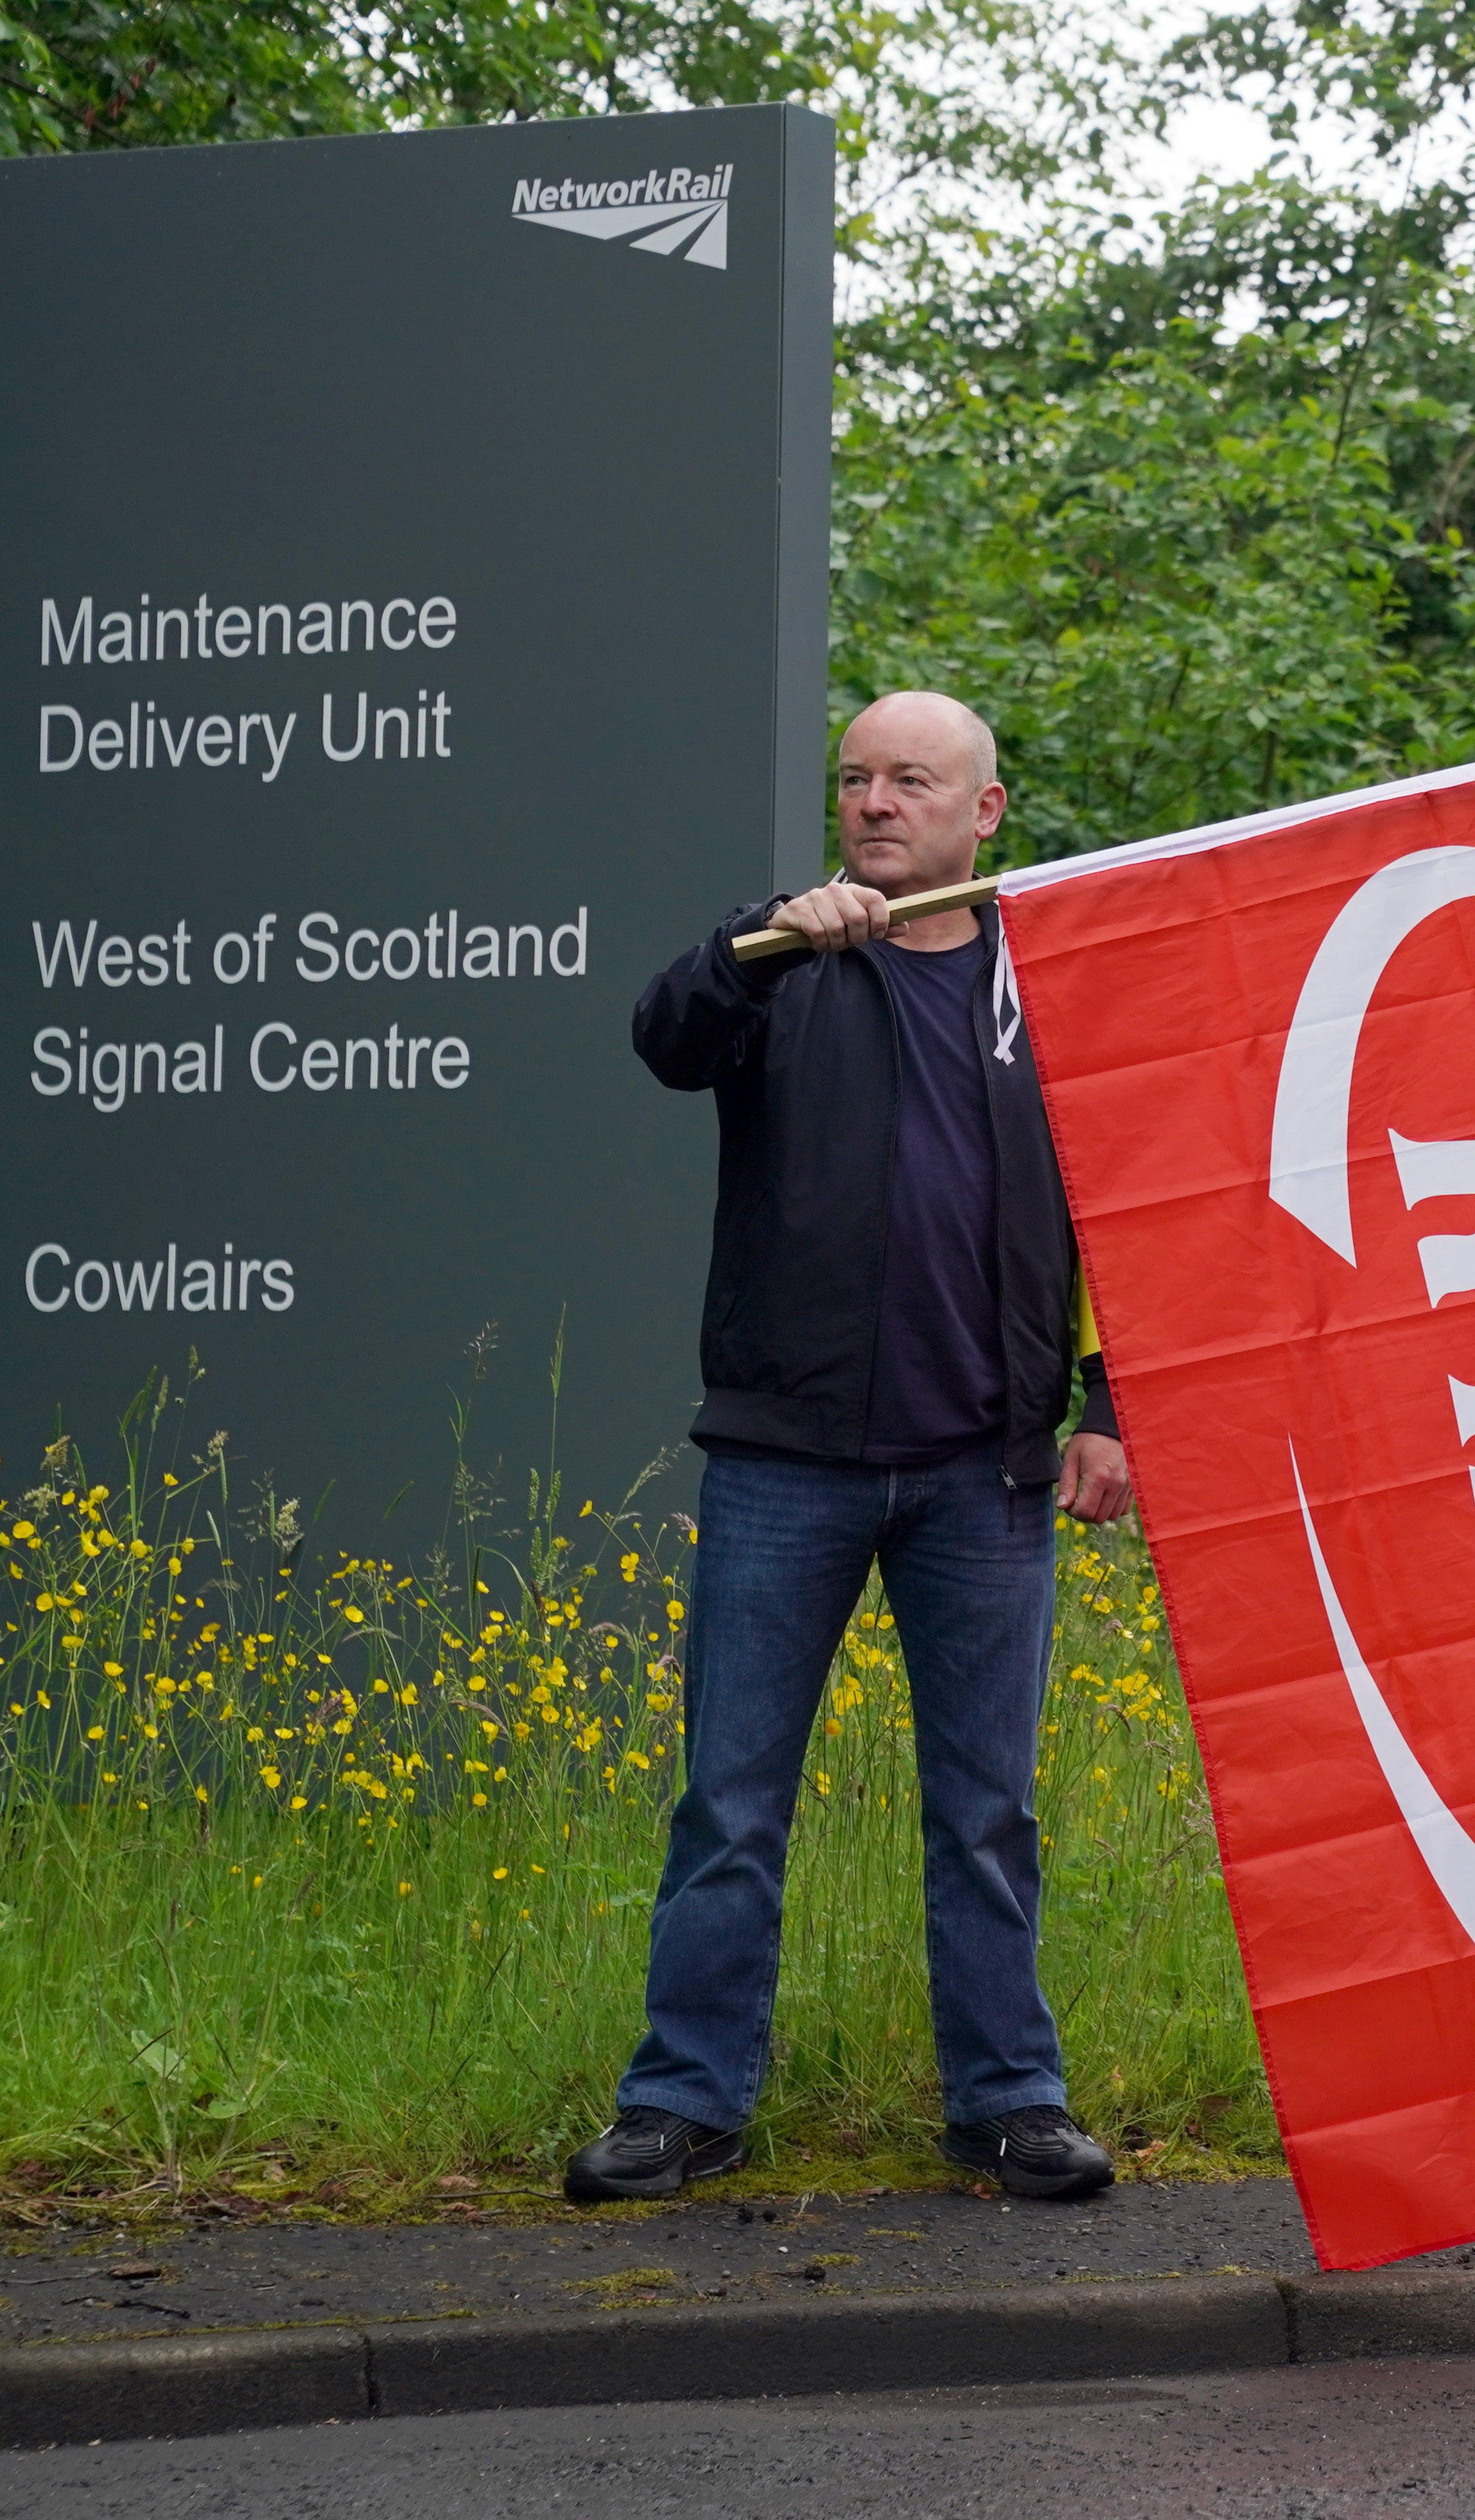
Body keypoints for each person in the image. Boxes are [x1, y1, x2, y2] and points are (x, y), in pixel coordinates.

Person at [566, 690, 1135, 2205]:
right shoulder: (780, 956)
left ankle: (1009, 2102)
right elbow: (663, 1039)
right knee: (732, 1800)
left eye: (912, 780)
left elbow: (1122, 1216)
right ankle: (683, 2102)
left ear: (985, 811)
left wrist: (1108, 1409)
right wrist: (750, 944)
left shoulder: (1054, 982)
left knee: (988, 1809)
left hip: (987, 1472)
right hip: (787, 1459)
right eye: (857, 779)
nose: (877, 802)